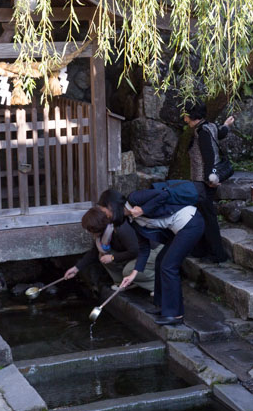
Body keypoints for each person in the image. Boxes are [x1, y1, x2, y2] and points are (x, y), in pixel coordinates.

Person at [119, 188, 205, 325]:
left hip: (190, 223)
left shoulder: (135, 199)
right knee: (160, 261)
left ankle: (175, 315)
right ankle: (162, 306)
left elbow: (164, 193)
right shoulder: (131, 220)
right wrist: (133, 275)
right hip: (177, 230)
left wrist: (143, 210)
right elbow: (144, 248)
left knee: (169, 266)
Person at [65, 189, 159, 292]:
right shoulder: (103, 235)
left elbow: (135, 250)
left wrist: (113, 257)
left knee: (128, 270)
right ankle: (124, 282)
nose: (91, 234)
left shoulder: (120, 228)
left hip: (152, 250)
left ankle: (158, 286)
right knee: (102, 255)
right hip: (136, 252)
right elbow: (94, 252)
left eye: (91, 231)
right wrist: (76, 268)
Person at [184, 101, 233, 263]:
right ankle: (201, 249)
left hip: (203, 182)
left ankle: (217, 254)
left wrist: (209, 179)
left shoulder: (202, 132)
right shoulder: (209, 126)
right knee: (202, 215)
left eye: (185, 114)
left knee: (208, 217)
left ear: (191, 116)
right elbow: (221, 132)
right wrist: (226, 125)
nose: (184, 117)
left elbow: (209, 157)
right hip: (203, 181)